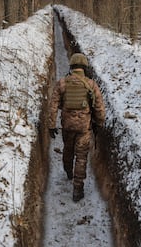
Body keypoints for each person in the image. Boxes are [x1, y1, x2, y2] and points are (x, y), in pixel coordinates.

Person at [48, 52, 106, 202]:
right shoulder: (91, 85)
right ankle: (77, 189)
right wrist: (99, 124)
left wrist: (51, 125)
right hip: (83, 128)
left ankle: (68, 171)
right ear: (84, 67)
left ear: (72, 66)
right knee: (81, 157)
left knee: (67, 150)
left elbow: (53, 105)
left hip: (67, 126)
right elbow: (99, 107)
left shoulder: (62, 83)